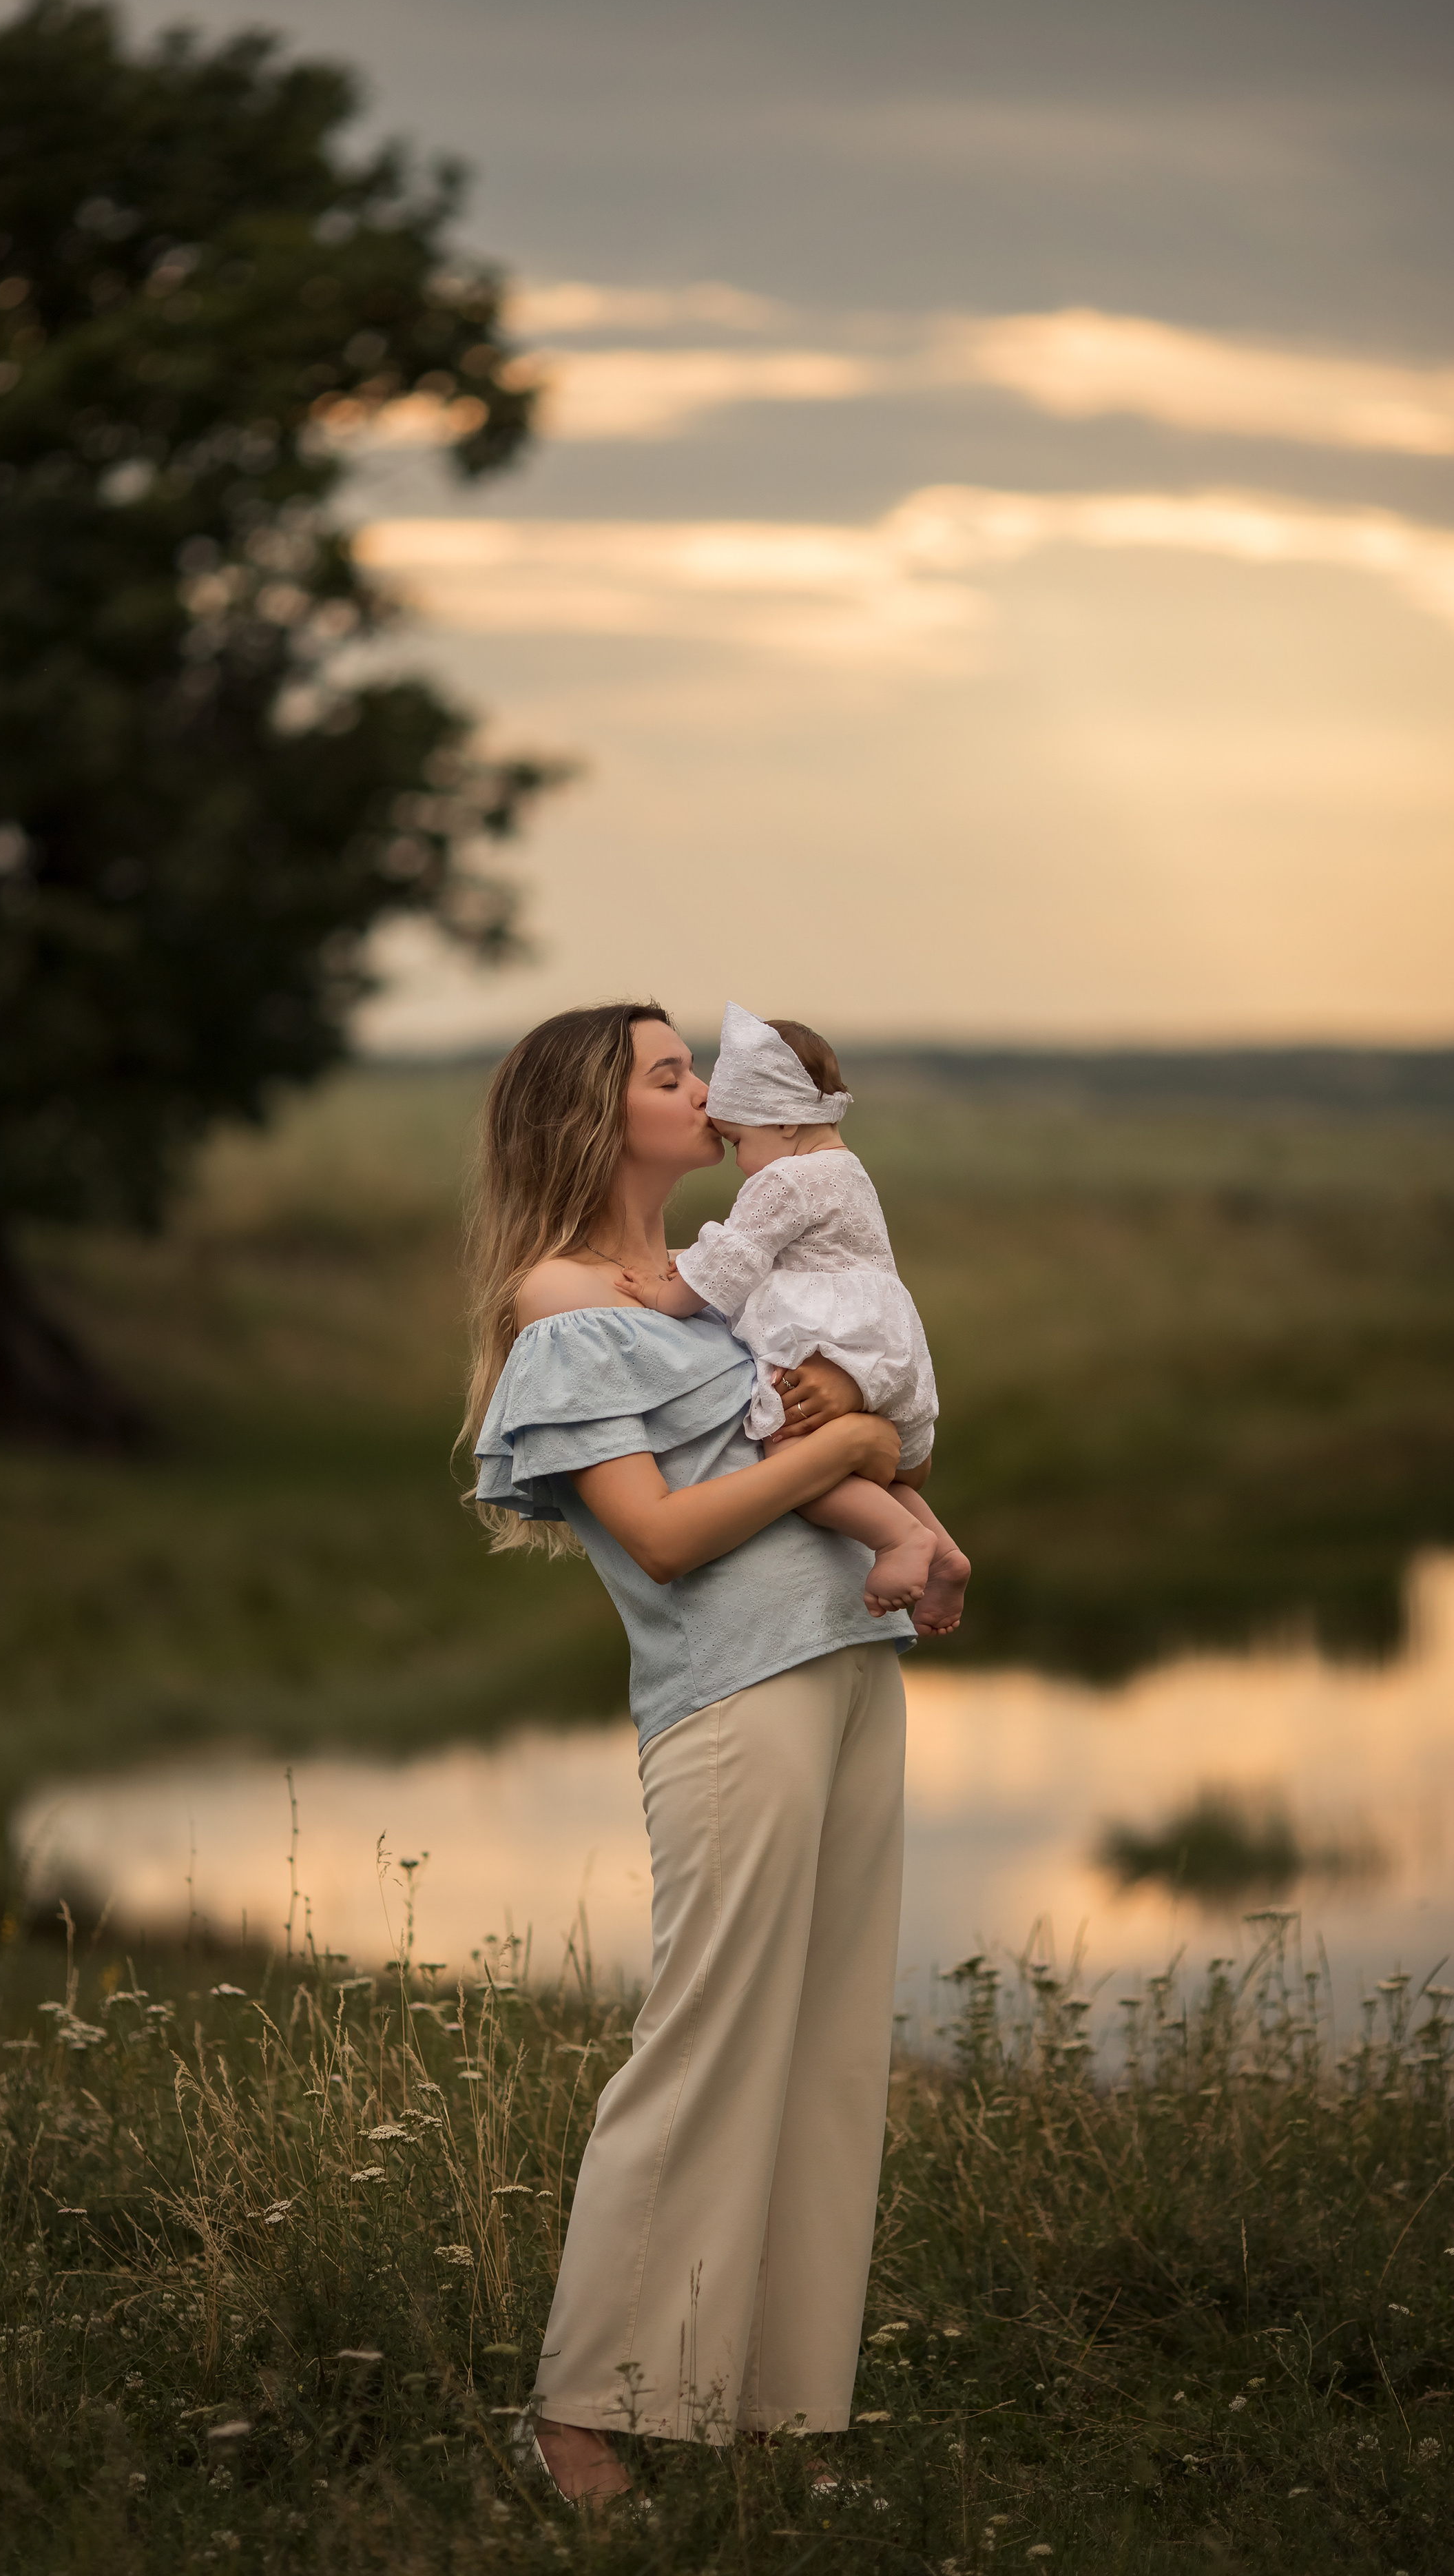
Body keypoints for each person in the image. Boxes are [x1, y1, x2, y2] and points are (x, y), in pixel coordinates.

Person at [461, 1001, 915, 2505]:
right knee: (710, 2045)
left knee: (826, 2051)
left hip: (847, 1661)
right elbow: (657, 1539)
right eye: (670, 1074)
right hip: (737, 1697)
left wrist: (889, 1486)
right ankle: (579, 2415)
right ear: (595, 1118)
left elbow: (825, 1434)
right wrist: (845, 1454)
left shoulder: (719, 1284)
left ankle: (775, 2411)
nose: (707, 1093)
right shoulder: (563, 1300)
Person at [618, 1002, 970, 1637]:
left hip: (830, 1342)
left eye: (739, 1141)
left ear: (782, 1119)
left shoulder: (784, 1181)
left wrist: (662, 1295)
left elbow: (733, 1259)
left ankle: (899, 1543)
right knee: (857, 1468)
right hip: (886, 1347)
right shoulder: (847, 1169)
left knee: (793, 1459)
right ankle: (942, 1551)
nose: (739, 1162)